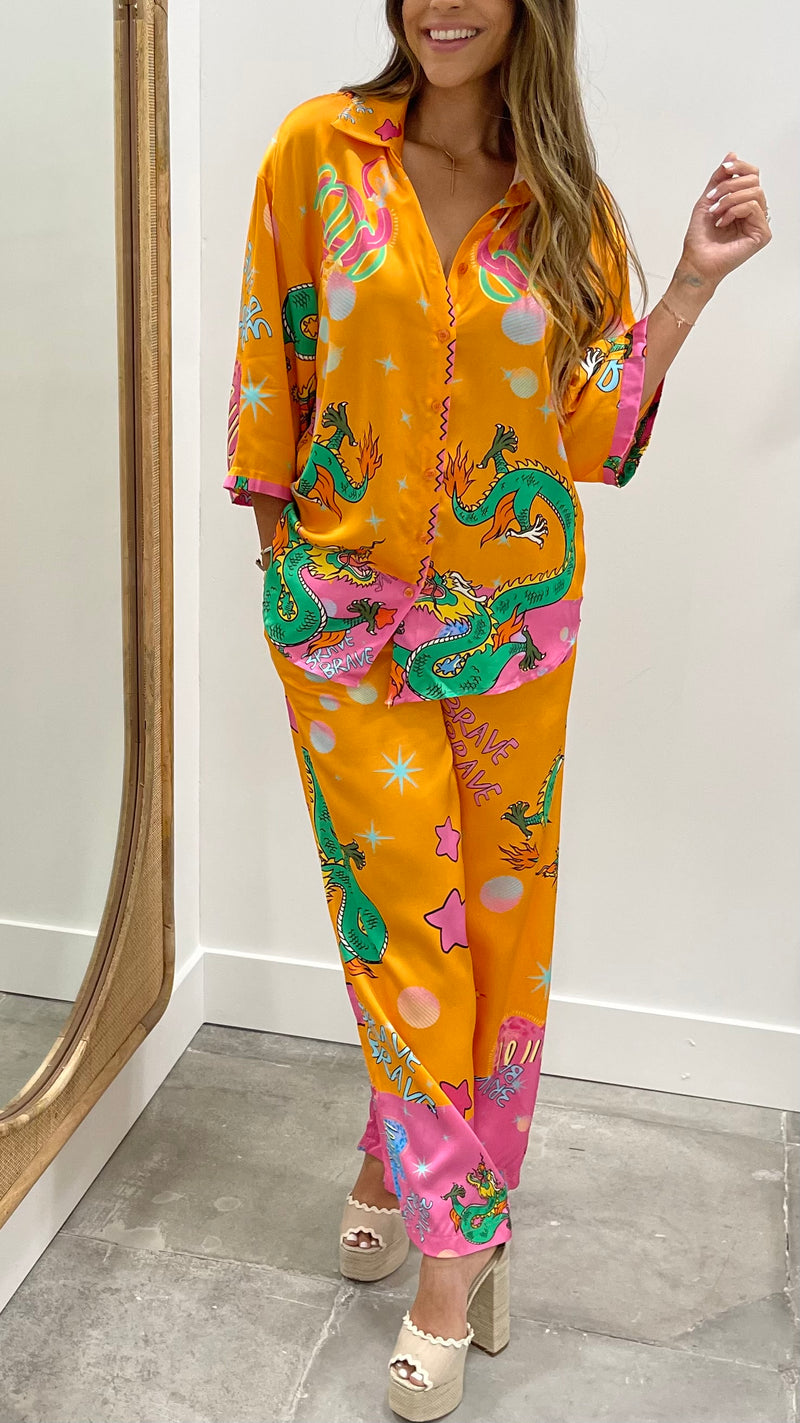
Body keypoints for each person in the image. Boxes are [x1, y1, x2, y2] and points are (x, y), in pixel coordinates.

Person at [224, 2, 771, 1416]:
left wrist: (691, 284)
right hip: (344, 626)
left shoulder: (566, 204)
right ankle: (460, 1255)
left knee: (496, 930)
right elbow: (271, 360)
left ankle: (395, 1162)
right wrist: (281, 561)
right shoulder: (318, 155)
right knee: (405, 928)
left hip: (513, 631)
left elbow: (587, 434)